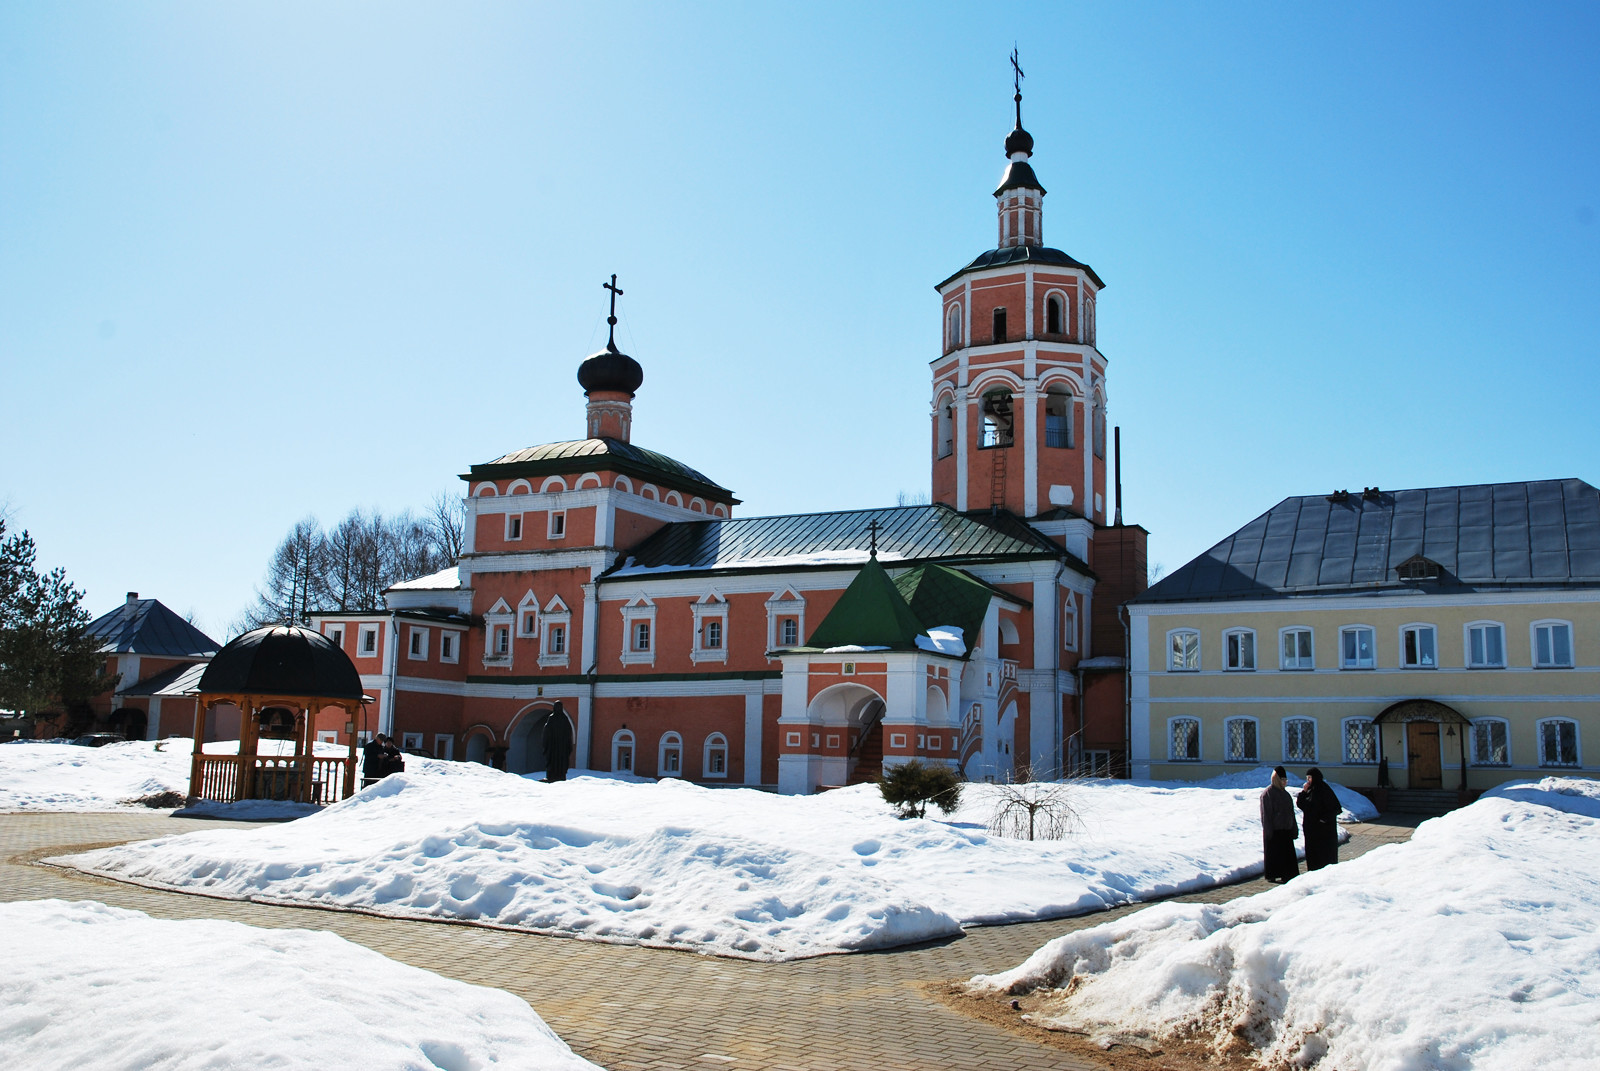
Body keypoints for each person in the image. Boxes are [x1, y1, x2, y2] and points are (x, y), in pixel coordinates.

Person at [1259, 765, 1299, 883]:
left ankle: (1287, 874)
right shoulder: (1268, 794)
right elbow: (1266, 815)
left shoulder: (1285, 794)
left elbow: (1291, 813)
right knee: (1274, 855)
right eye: (1283, 780)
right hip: (1274, 831)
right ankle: (1273, 875)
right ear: (1277, 779)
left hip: (1286, 830)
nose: (1285, 782)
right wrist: (1268, 831)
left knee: (1286, 856)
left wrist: (1293, 828)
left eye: (1286, 780)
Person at [1298, 766, 1342, 870]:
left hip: (1323, 833)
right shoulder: (1310, 791)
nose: (1308, 781)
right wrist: (1303, 792)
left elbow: (1335, 808)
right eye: (1307, 778)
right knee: (1313, 857)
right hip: (1312, 832)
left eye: (1310, 778)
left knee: (1324, 858)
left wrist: (1323, 820)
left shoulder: (1324, 789)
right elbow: (1302, 804)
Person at [542, 702, 574, 782]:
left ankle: (551, 776)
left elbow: (547, 732)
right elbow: (569, 733)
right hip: (562, 748)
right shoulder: (565, 719)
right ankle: (560, 775)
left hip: (553, 747)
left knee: (553, 761)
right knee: (561, 761)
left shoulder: (552, 718)